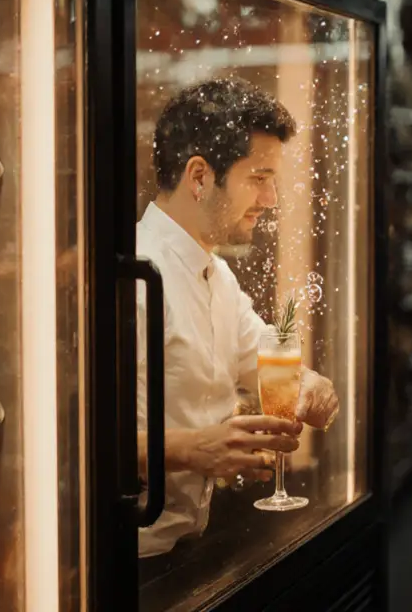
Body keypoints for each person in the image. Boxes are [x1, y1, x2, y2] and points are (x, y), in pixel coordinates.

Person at [135, 78, 340, 562]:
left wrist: (309, 386)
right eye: (258, 178)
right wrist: (192, 449)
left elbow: (262, 356)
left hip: (193, 548)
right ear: (200, 177)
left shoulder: (218, 277)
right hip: (129, 564)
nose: (270, 199)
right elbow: (79, 439)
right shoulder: (137, 277)